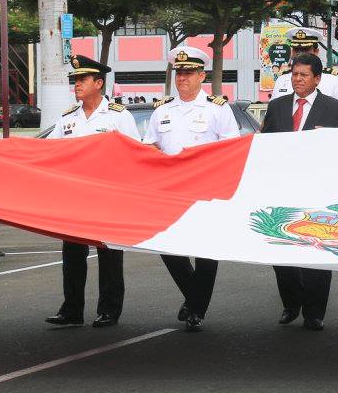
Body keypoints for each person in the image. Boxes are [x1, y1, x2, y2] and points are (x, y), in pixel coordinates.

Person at [144, 46, 241, 331]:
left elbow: (231, 149)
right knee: (167, 247)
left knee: (206, 250)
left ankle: (196, 308)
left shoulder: (217, 109)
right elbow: (151, 147)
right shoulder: (161, 110)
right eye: (179, 72)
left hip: (206, 190)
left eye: (188, 72)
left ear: (202, 75)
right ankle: (194, 296)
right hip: (171, 191)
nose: (182, 77)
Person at [43, 54, 140, 328]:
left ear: (98, 83)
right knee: (72, 255)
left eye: (82, 79)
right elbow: (49, 152)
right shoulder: (67, 119)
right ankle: (72, 310)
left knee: (109, 255)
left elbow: (134, 156)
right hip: (75, 198)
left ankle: (109, 309)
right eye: (75, 80)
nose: (77, 84)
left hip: (108, 197)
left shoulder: (119, 117)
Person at [261, 52, 338, 330]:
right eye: (294, 74)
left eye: (303, 75)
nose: (297, 79)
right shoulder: (276, 106)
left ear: (317, 79)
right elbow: (265, 147)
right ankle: (291, 303)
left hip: (318, 191)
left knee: (316, 252)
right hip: (282, 191)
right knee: (281, 251)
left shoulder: (334, 107)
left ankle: (314, 312)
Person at [271, 28, 338, 125]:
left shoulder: (334, 79)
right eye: (297, 50)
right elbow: (271, 117)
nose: (300, 54)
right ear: (292, 52)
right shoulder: (282, 79)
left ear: (316, 52)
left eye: (305, 50)